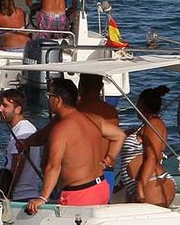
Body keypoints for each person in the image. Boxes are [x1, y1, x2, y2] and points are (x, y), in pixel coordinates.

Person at [24, 79, 127, 214]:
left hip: (79, 194)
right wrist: (109, 158)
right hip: (100, 186)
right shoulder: (93, 119)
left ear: (58, 100)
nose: (48, 99)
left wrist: (42, 197)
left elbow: (53, 166)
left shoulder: (60, 129)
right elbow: (119, 135)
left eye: (49, 96)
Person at [117, 86, 175, 208]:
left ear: (142, 104)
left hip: (152, 183)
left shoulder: (154, 124)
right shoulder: (145, 126)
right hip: (143, 183)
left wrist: (140, 186)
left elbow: (152, 158)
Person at [0, 88, 44, 203]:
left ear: (17, 109)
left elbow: (18, 164)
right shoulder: (20, 129)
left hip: (20, 195)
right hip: (22, 194)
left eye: (5, 105)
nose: (0, 109)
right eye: (0, 104)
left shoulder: (23, 131)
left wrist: (8, 191)